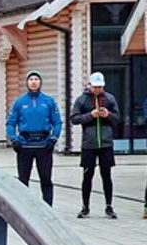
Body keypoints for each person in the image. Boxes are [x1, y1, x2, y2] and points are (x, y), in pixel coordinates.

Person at [6, 70, 62, 206]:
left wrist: (54, 138)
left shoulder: (49, 102)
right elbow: (11, 123)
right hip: (25, 145)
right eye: (31, 79)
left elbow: (57, 122)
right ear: (27, 83)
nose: (33, 82)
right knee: (23, 180)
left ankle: (48, 207)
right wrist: (14, 139)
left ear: (40, 82)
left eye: (36, 79)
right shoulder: (20, 102)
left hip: (44, 145)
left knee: (46, 179)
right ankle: (23, 208)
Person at [71, 71, 120, 219]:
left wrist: (108, 115)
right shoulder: (82, 100)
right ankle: (85, 206)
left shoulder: (110, 99)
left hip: (105, 143)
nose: (97, 90)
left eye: (100, 87)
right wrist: (90, 115)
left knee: (107, 175)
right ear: (90, 85)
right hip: (89, 144)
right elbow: (74, 118)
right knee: (87, 175)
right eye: (95, 87)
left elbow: (117, 118)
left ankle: (109, 206)